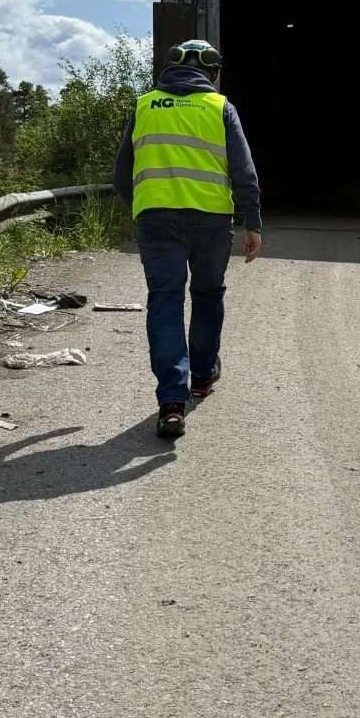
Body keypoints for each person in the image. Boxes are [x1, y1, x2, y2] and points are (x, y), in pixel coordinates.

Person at [112, 39, 262, 439]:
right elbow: (243, 171)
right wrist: (253, 222)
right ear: (211, 73)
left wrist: (142, 208)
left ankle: (172, 401)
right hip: (211, 220)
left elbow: (120, 174)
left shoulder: (144, 106)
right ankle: (201, 376)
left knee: (165, 300)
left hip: (156, 219)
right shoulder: (219, 107)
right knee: (209, 294)